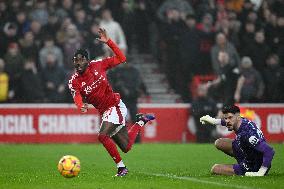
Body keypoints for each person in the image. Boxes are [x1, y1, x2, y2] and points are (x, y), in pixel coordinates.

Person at [68, 28, 155, 177]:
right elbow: (77, 96)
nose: (78, 62)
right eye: (75, 60)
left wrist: (109, 42)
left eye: (81, 59)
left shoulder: (98, 65)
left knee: (102, 136)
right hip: (105, 112)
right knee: (126, 147)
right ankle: (141, 121)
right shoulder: (74, 81)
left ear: (87, 61)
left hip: (115, 105)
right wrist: (80, 105)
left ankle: (121, 168)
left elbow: (122, 58)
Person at [200, 105, 275, 176]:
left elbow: (269, 151)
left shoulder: (247, 134)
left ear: (238, 117)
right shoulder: (240, 121)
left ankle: (246, 167)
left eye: (230, 118)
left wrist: (261, 172)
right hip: (248, 151)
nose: (227, 121)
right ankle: (243, 160)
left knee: (215, 169)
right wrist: (212, 120)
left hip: (254, 164)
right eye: (226, 118)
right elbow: (226, 121)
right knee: (219, 143)